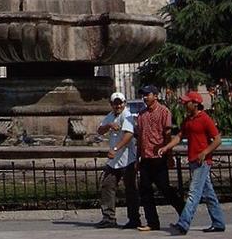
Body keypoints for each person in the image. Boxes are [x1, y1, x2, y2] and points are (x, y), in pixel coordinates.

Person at [158, 91, 225, 235]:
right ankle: (218, 222)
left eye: (187, 102)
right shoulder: (188, 119)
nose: (184, 104)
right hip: (194, 160)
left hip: (202, 161)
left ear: (195, 103)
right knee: (208, 193)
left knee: (193, 193)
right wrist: (166, 147)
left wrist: (205, 152)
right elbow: (180, 136)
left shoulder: (205, 119)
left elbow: (217, 140)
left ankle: (184, 223)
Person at [133, 83, 184, 231]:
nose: (145, 97)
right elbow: (140, 139)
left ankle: (184, 212)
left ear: (155, 96)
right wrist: (137, 158)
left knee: (165, 188)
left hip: (159, 156)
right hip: (146, 157)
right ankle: (152, 222)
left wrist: (169, 155)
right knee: (145, 190)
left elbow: (167, 135)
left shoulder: (164, 112)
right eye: (143, 95)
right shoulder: (141, 115)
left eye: (147, 95)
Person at [95, 91, 140, 229]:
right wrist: (109, 125)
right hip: (114, 162)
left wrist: (115, 149)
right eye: (115, 103)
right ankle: (108, 217)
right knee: (107, 185)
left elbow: (128, 135)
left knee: (130, 189)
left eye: (120, 103)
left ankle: (134, 219)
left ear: (124, 103)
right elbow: (100, 130)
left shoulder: (127, 115)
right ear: (111, 104)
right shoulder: (111, 116)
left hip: (127, 159)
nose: (118, 106)